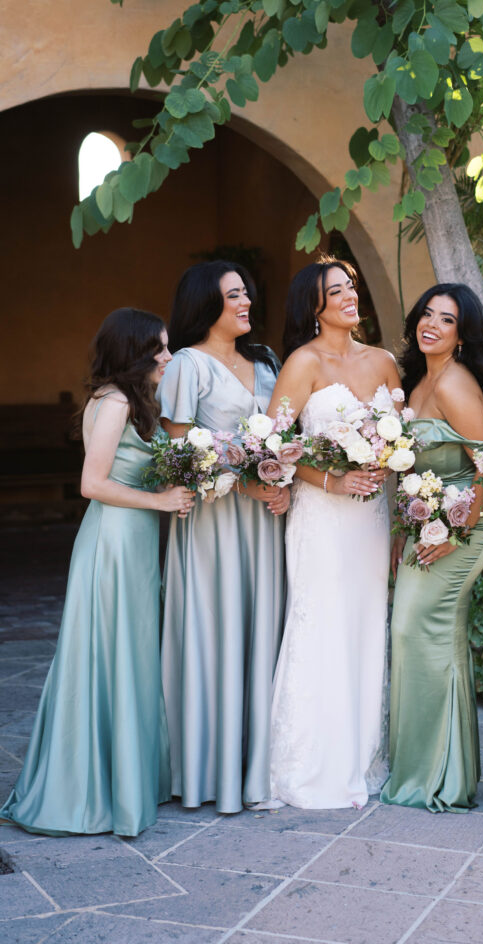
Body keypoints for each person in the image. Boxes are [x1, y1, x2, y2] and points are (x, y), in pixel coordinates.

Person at [0, 308, 193, 836]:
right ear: (134, 351)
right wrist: (160, 500)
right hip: (112, 542)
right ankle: (94, 791)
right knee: (109, 655)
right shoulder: (114, 402)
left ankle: (124, 780)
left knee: (126, 654)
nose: (168, 356)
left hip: (128, 543)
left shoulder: (129, 401)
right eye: (160, 347)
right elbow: (92, 483)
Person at [268, 256, 401, 809]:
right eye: (336, 290)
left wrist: (385, 473)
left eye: (351, 287)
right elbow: (269, 450)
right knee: (320, 626)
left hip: (372, 519)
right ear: (314, 306)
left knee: (367, 627)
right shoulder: (303, 363)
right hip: (321, 518)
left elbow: (401, 443)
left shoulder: (386, 361)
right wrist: (332, 478)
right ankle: (312, 766)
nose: (350, 296)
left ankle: (363, 756)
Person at [158, 260, 287, 814]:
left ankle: (260, 765)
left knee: (263, 630)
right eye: (234, 295)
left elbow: (285, 437)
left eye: (246, 294)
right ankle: (209, 769)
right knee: (218, 629)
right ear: (205, 304)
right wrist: (245, 486)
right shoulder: (188, 366)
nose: (246, 303)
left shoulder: (267, 362)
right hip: (214, 524)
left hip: (266, 524)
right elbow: (176, 456)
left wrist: (281, 482)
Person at [380, 284, 483, 812]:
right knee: (415, 636)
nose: (431, 324)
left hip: (462, 532)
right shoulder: (419, 378)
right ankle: (434, 772)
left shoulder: (455, 384)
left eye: (446, 320)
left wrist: (455, 532)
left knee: (417, 631)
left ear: (461, 334)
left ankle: (438, 779)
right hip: (426, 525)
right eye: (427, 314)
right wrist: (402, 530)